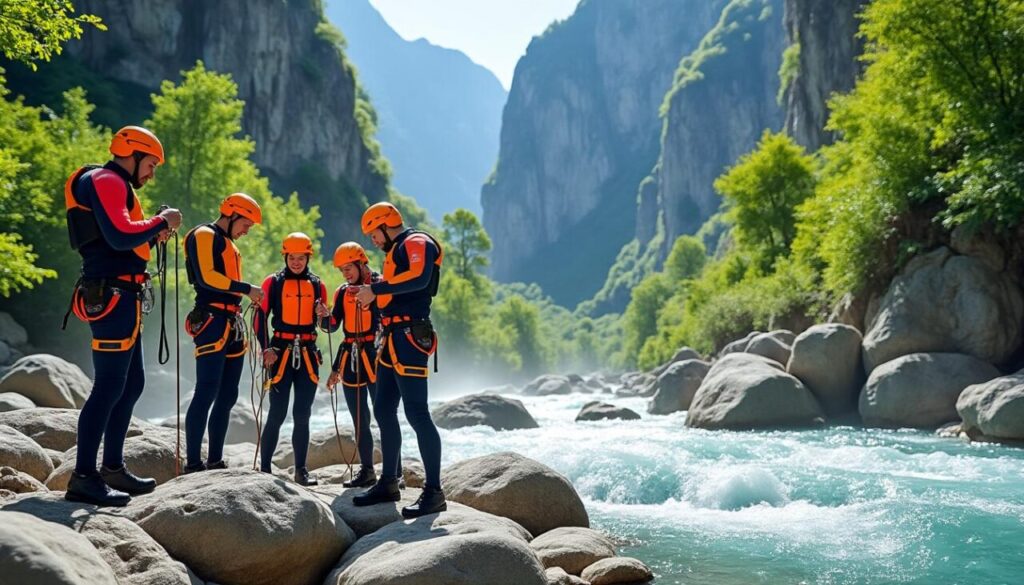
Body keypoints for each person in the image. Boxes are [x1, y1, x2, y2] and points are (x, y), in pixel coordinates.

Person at [63, 125, 183, 506]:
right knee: (110, 387)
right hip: (112, 297)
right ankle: (83, 476)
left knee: (130, 386)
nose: (151, 173)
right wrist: (162, 222)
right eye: (150, 164)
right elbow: (118, 236)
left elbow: (122, 236)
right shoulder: (108, 180)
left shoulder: (113, 184)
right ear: (131, 155)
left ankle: (112, 467)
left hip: (122, 296)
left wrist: (151, 233)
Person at [350, 202, 446, 518]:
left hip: (409, 336)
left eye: (373, 234)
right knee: (383, 408)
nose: (373, 242)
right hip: (392, 337)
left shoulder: (416, 242)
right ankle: (389, 481)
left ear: (384, 224)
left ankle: (434, 492)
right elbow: (397, 291)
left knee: (417, 412)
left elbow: (418, 279)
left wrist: (376, 289)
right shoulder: (396, 251)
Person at [181, 193, 263, 473]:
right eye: (246, 224)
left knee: (228, 395)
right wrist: (246, 289)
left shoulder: (227, 241)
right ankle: (193, 462)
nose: (246, 230)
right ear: (232, 214)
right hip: (212, 320)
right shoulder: (205, 234)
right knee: (206, 390)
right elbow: (207, 277)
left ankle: (215, 459)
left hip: (232, 321)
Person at [253, 233, 329, 486]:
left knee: (303, 414)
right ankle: (265, 468)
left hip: (307, 353)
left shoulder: (318, 285)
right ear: (285, 256)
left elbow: (327, 325)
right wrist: (266, 349)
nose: (296, 262)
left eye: (301, 257)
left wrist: (323, 315)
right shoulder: (272, 283)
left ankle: (301, 470)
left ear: (308, 257)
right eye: (292, 257)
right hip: (280, 352)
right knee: (276, 412)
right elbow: (258, 319)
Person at [322, 242, 383, 488]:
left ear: (360, 263)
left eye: (349, 268)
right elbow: (333, 325)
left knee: (385, 416)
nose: (346, 273)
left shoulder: (379, 285)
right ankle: (367, 470)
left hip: (375, 355)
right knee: (360, 419)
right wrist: (322, 316)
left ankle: (395, 473)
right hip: (350, 356)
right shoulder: (341, 292)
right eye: (342, 270)